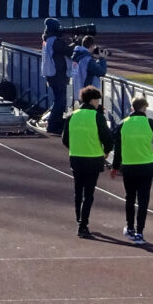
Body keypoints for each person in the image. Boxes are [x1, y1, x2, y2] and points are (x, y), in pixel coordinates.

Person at [107, 96, 153, 243]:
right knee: (143, 200)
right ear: (144, 108)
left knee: (130, 198)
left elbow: (117, 146)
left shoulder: (123, 123)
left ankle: (130, 227)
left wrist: (115, 166)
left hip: (129, 166)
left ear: (132, 108)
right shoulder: (150, 123)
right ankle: (140, 232)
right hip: (146, 166)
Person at [64, 86, 109, 238]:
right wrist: (106, 151)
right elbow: (107, 137)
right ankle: (83, 224)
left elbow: (65, 139)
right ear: (93, 100)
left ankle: (79, 220)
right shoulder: (97, 116)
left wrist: (75, 147)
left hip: (76, 157)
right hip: (93, 158)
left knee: (78, 191)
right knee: (88, 194)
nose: (98, 103)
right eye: (97, 100)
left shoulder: (72, 115)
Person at [39, 18, 69, 133]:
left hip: (51, 74)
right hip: (57, 75)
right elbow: (68, 51)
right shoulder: (54, 41)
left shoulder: (48, 39)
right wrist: (76, 43)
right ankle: (53, 125)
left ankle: (55, 123)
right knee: (60, 101)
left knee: (59, 100)